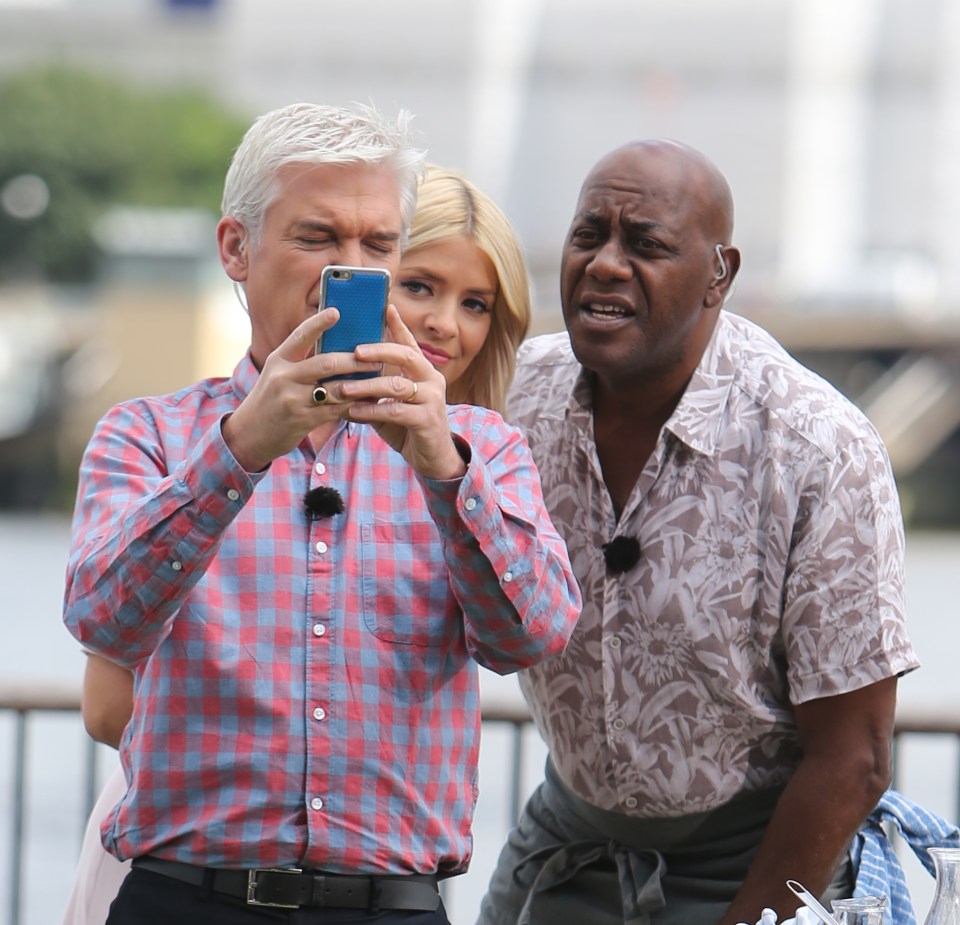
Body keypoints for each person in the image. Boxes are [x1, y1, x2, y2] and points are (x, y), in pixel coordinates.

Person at [61, 103, 580, 925]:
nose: (354, 268)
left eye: (379, 246)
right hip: (186, 896)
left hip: (391, 906)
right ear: (236, 248)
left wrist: (444, 469)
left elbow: (532, 637)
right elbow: (100, 620)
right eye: (319, 238)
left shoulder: (478, 447)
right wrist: (239, 451)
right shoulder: (149, 434)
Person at [476, 138, 927, 925]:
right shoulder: (515, 398)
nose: (607, 264)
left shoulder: (819, 447)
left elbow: (853, 759)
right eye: (590, 235)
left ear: (721, 273)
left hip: (761, 863)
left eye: (646, 244)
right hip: (567, 847)